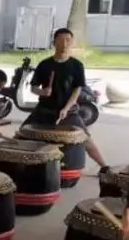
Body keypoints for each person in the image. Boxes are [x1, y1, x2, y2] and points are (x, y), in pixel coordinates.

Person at [24, 29, 109, 171]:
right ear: (54, 42)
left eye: (68, 40)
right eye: (61, 40)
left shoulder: (76, 66)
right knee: (21, 134)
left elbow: (77, 89)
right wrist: (42, 92)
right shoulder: (44, 64)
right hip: (44, 111)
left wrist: (66, 108)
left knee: (86, 139)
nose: (64, 44)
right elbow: (33, 88)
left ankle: (105, 167)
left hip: (68, 112)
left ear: (72, 42)